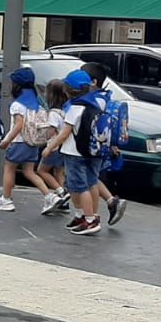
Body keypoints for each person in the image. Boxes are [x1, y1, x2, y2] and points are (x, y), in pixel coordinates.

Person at [47, 69, 103, 234]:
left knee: (78, 187)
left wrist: (50, 147)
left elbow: (65, 133)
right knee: (92, 183)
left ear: (69, 90)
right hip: (94, 151)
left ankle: (89, 219)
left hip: (75, 152)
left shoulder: (75, 109)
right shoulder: (97, 102)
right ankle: (90, 215)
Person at [0, 67, 54, 212]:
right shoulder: (38, 103)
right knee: (29, 172)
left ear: (16, 85)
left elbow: (19, 125)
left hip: (19, 141)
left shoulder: (17, 105)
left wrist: (6, 140)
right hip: (33, 142)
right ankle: (50, 196)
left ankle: (6, 199)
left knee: (9, 168)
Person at [82, 62, 128, 228]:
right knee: (92, 178)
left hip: (91, 147)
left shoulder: (92, 101)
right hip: (103, 146)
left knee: (90, 180)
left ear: (93, 82)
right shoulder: (105, 97)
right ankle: (110, 202)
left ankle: (93, 217)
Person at [38, 78, 70, 213]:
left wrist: (43, 137)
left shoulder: (53, 113)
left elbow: (51, 132)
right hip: (64, 147)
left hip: (54, 147)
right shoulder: (65, 111)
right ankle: (64, 202)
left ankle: (61, 192)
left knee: (41, 171)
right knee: (59, 172)